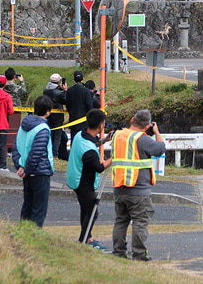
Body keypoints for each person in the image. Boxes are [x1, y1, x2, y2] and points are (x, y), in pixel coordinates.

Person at [111, 109, 165, 261]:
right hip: (138, 189)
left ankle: (118, 252)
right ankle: (139, 254)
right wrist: (157, 132)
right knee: (140, 222)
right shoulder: (142, 139)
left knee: (121, 221)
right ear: (147, 126)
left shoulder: (118, 135)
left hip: (119, 186)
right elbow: (160, 149)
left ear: (131, 119)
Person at [66, 109, 112, 248]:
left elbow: (92, 143)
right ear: (101, 125)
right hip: (83, 182)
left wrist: (104, 140)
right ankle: (83, 240)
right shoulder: (89, 151)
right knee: (92, 212)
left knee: (85, 210)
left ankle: (88, 238)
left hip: (76, 178)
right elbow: (99, 167)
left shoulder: (81, 135)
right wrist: (115, 158)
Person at [12, 95, 53, 228]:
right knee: (38, 211)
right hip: (39, 172)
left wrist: (20, 166)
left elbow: (16, 147)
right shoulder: (43, 128)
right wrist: (27, 169)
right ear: (47, 111)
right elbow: (37, 152)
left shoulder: (23, 125)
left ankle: (22, 235)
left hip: (26, 173)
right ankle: (34, 239)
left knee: (27, 208)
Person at [43, 73, 68, 160]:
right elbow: (65, 100)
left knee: (49, 135)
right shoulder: (59, 93)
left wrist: (60, 90)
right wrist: (65, 90)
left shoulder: (45, 90)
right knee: (57, 136)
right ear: (58, 82)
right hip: (58, 118)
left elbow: (55, 95)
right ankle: (55, 154)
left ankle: (47, 152)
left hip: (48, 116)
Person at [65, 70, 94, 144]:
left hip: (73, 121)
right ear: (83, 78)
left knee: (74, 142)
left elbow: (67, 105)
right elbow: (89, 105)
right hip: (83, 122)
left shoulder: (69, 90)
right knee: (83, 142)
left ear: (74, 79)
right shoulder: (86, 91)